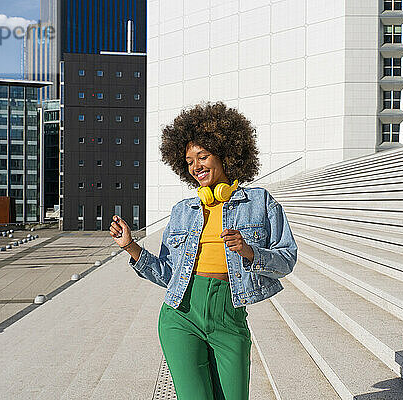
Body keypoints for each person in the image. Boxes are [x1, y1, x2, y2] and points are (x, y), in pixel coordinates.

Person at [109, 102, 297, 400]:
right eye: (188, 161)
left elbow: (287, 259)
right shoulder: (183, 211)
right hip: (181, 314)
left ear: (226, 154)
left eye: (203, 156)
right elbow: (167, 274)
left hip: (229, 317)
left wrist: (249, 252)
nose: (195, 166)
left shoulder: (260, 202)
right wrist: (130, 246)